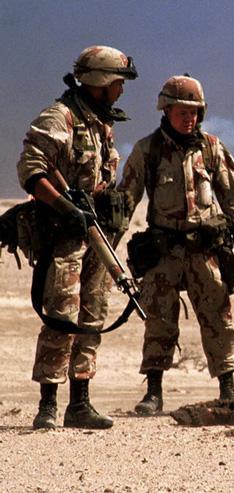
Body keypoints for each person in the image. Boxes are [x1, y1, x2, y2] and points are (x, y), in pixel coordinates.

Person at [118, 75, 234, 415]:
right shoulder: (147, 150)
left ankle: (227, 387)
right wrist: (108, 245)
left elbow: (232, 194)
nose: (189, 118)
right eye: (182, 111)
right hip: (163, 250)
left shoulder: (211, 148)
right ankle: (153, 392)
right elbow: (125, 201)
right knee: (159, 319)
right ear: (166, 110)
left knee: (218, 316)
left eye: (194, 112)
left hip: (204, 250)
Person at [16, 45, 138, 429]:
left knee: (93, 313)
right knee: (61, 314)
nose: (121, 90)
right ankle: (48, 404)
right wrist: (65, 208)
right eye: (118, 83)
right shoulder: (61, 118)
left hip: (96, 235)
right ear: (101, 81)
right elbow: (31, 170)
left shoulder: (100, 123)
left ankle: (80, 402)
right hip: (65, 237)